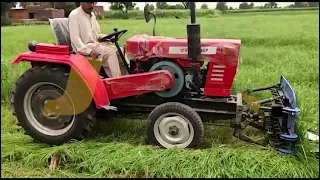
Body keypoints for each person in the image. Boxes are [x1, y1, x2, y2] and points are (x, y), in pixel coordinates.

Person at [68, 2, 127, 78]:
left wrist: (109, 37)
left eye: (93, 3)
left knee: (120, 51)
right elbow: (75, 40)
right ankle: (117, 80)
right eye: (89, 3)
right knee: (110, 52)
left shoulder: (92, 15)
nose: (92, 5)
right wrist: (89, 51)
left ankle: (127, 78)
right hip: (85, 49)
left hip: (96, 45)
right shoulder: (74, 15)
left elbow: (97, 34)